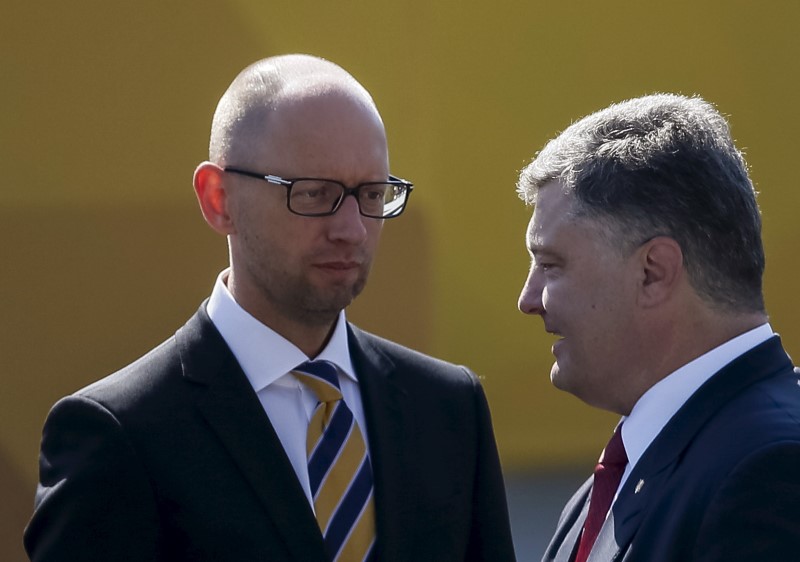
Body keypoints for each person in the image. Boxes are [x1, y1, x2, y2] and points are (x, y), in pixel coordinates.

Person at [24, 54, 516, 562]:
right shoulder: (118, 434)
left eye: (372, 194)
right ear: (219, 199)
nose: (351, 228)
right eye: (313, 193)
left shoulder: (448, 408)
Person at [516, 93, 800, 561]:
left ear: (653, 271)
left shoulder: (772, 468)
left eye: (552, 265)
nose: (528, 301)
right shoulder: (621, 476)